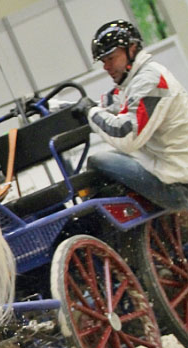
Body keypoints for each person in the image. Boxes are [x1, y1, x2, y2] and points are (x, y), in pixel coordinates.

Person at [74, 19, 188, 209]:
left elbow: (126, 136)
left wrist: (90, 112)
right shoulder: (135, 82)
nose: (106, 67)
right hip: (171, 174)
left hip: (178, 186)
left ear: (132, 49)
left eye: (111, 58)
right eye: (103, 61)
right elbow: (105, 107)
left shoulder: (150, 82)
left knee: (99, 160)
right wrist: (58, 106)